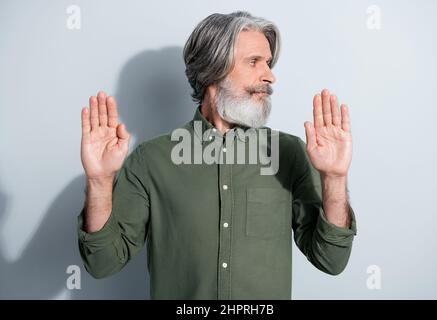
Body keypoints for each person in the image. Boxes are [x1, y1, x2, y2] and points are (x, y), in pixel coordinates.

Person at [77, 11, 357, 300]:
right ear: (214, 70)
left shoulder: (290, 154)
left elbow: (331, 261)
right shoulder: (150, 161)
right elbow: (102, 263)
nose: (270, 76)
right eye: (254, 62)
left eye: (269, 63)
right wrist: (99, 181)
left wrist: (335, 179)